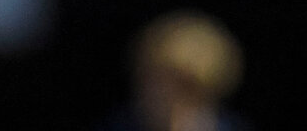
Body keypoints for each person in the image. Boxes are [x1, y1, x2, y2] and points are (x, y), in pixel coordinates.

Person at [98, 9, 250, 131]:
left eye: (181, 85)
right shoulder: (117, 125)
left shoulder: (233, 127)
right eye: (150, 79)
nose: (160, 93)